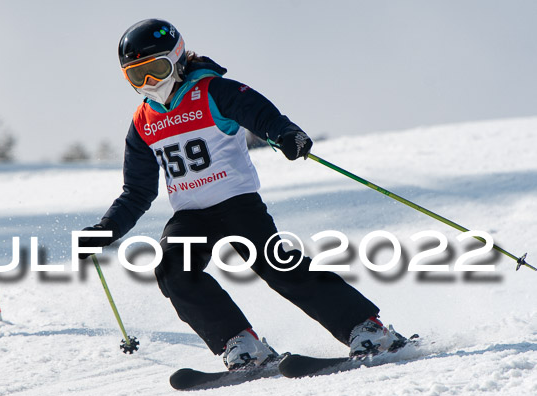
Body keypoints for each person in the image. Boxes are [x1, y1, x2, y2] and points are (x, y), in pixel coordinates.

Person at [79, 18, 408, 369]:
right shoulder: (143, 123)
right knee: (172, 269)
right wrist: (105, 230)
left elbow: (261, 114)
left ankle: (367, 328)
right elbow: (137, 193)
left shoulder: (211, 92)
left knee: (277, 267)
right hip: (191, 215)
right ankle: (240, 342)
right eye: (136, 76)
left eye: (156, 69)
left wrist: (286, 134)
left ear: (176, 59)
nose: (149, 83)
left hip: (237, 204)